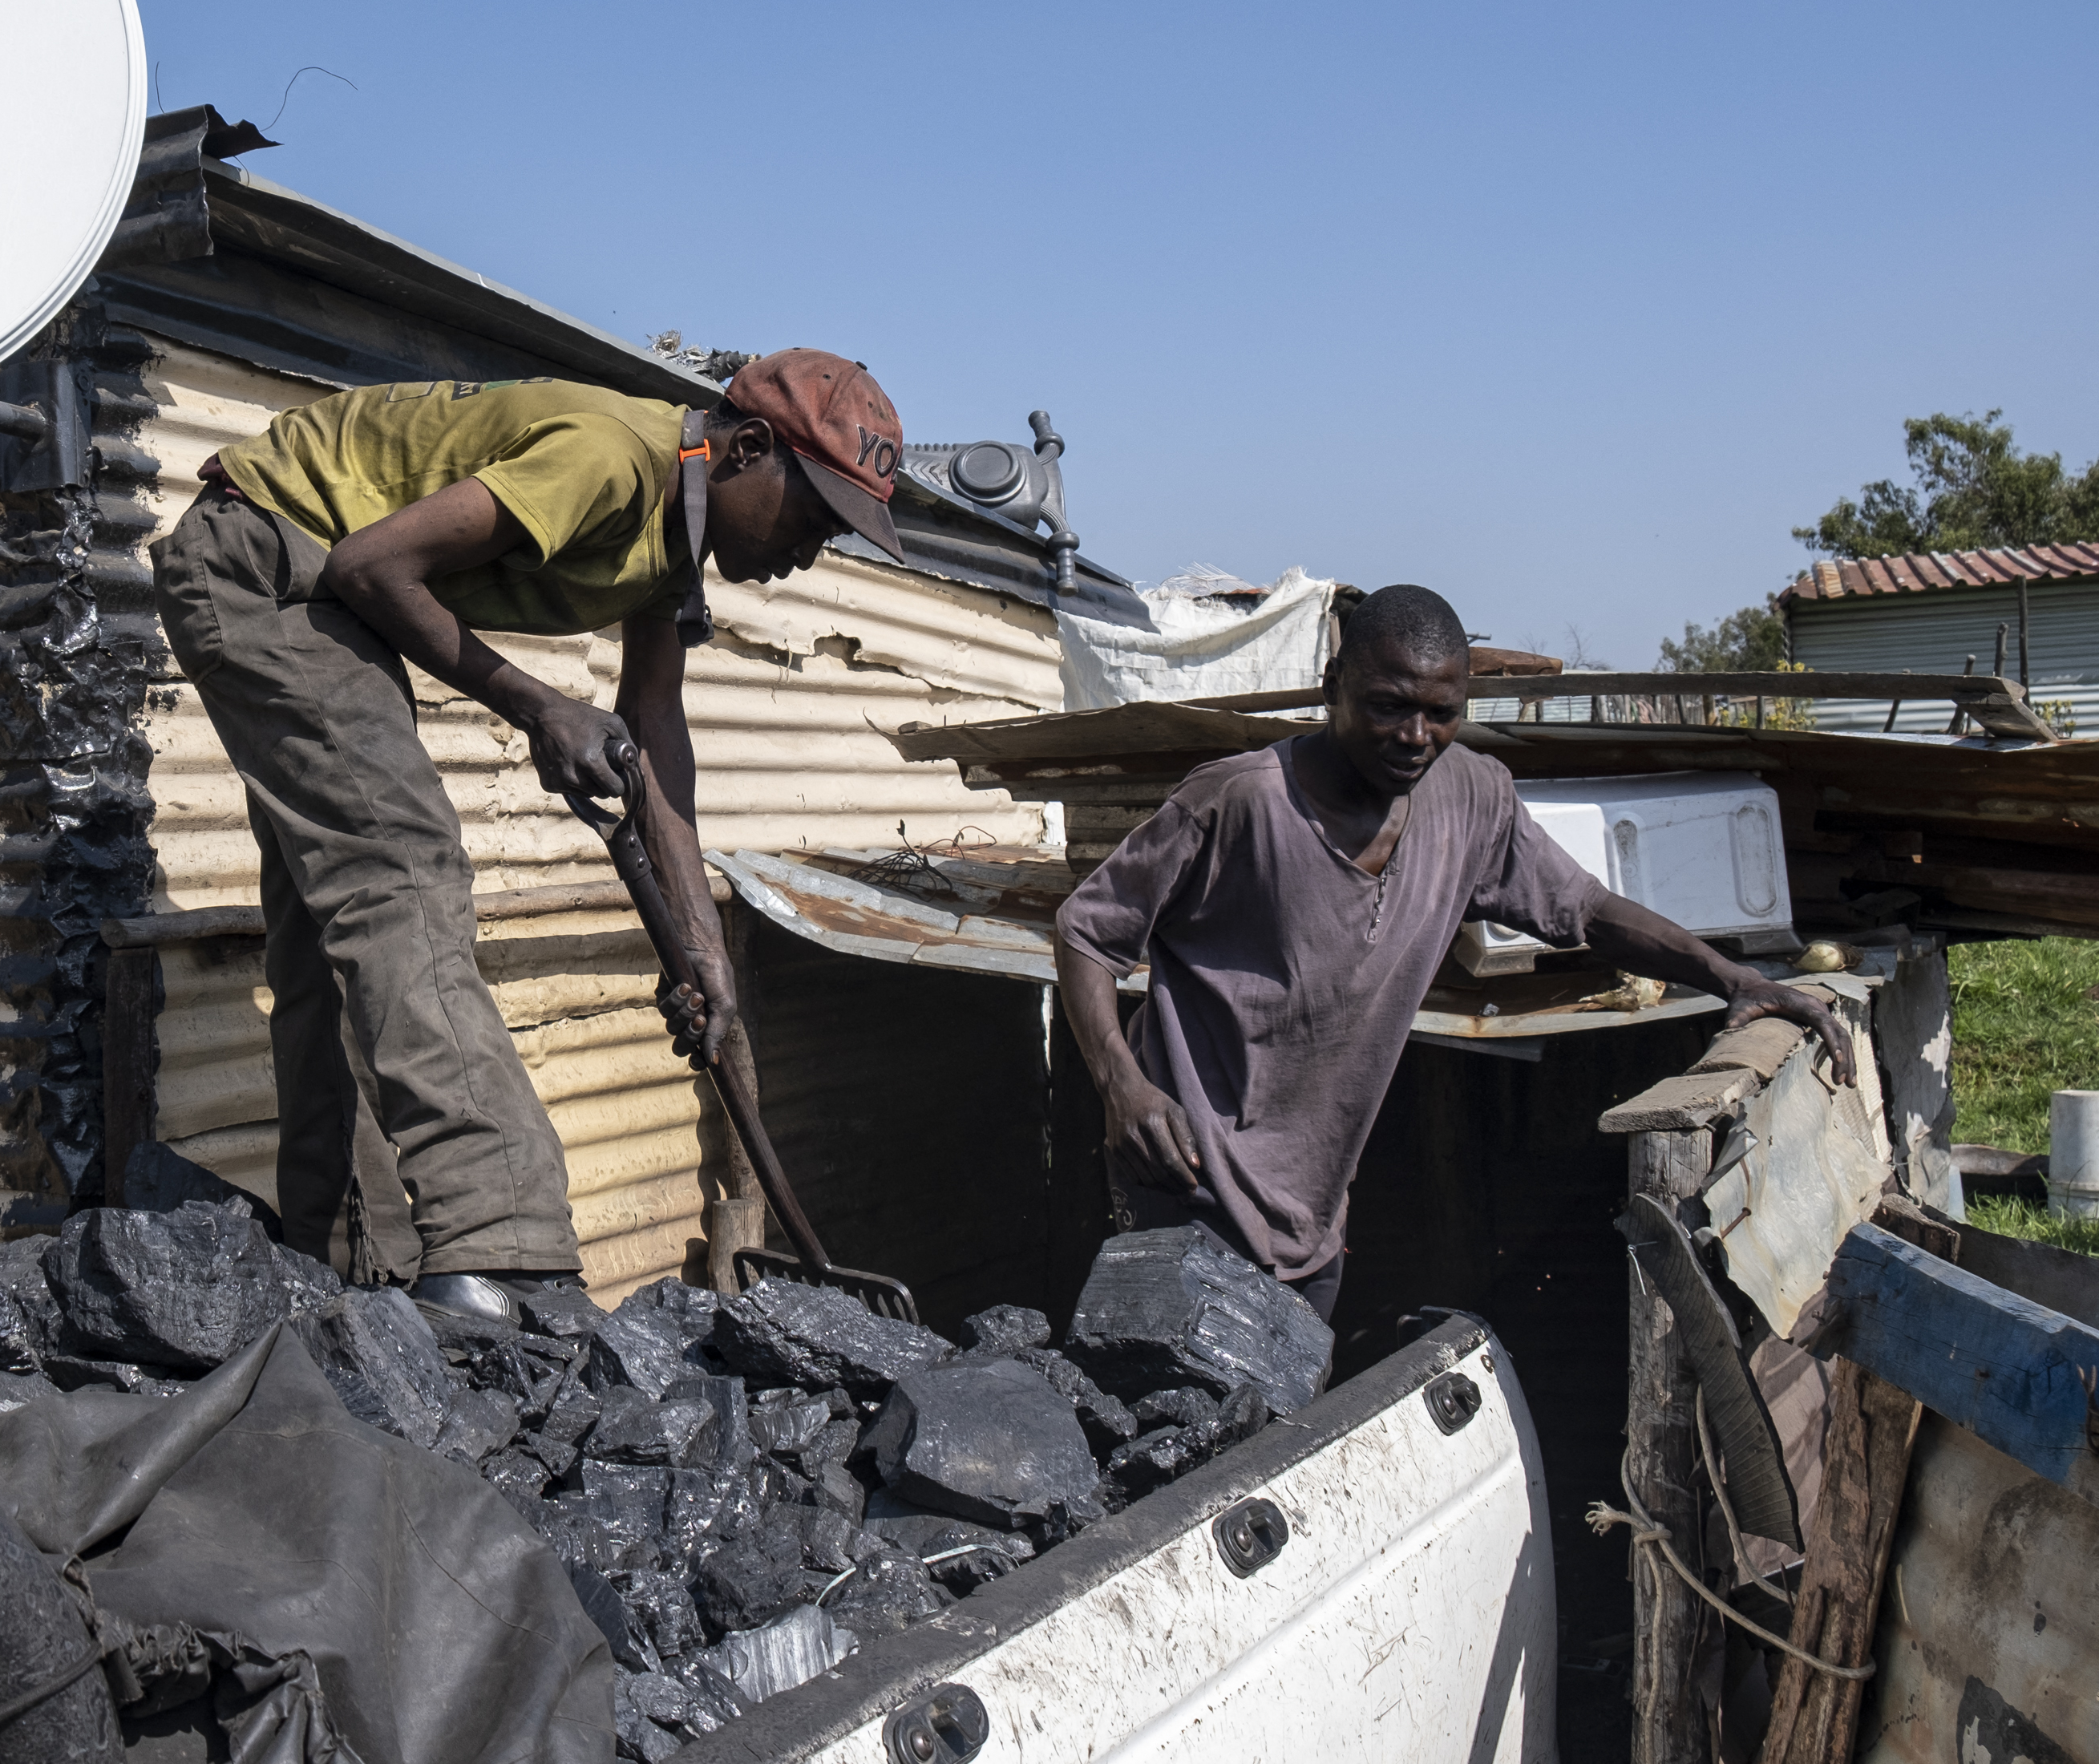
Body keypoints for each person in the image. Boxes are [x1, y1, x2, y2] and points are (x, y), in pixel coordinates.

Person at [153, 354, 910, 1319]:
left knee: (329, 926)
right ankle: (500, 1244)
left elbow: (654, 743)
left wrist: (703, 956)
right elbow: (370, 564)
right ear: (747, 448)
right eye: (815, 521)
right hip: (269, 561)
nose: (810, 555)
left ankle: (343, 1250)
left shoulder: (674, 535)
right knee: (400, 875)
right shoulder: (612, 460)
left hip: (318, 578)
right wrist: (538, 707)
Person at [1054, 585, 1843, 1322]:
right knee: (1180, 1430)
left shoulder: (1471, 799)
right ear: (1331, 686)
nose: (1414, 737)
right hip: (1185, 1179)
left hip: (1311, 1211)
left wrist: (1730, 978)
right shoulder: (1236, 801)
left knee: (1279, 1431)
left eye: (1440, 713)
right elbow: (1087, 932)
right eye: (1388, 707)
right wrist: (1123, 1089)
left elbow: (1587, 911)